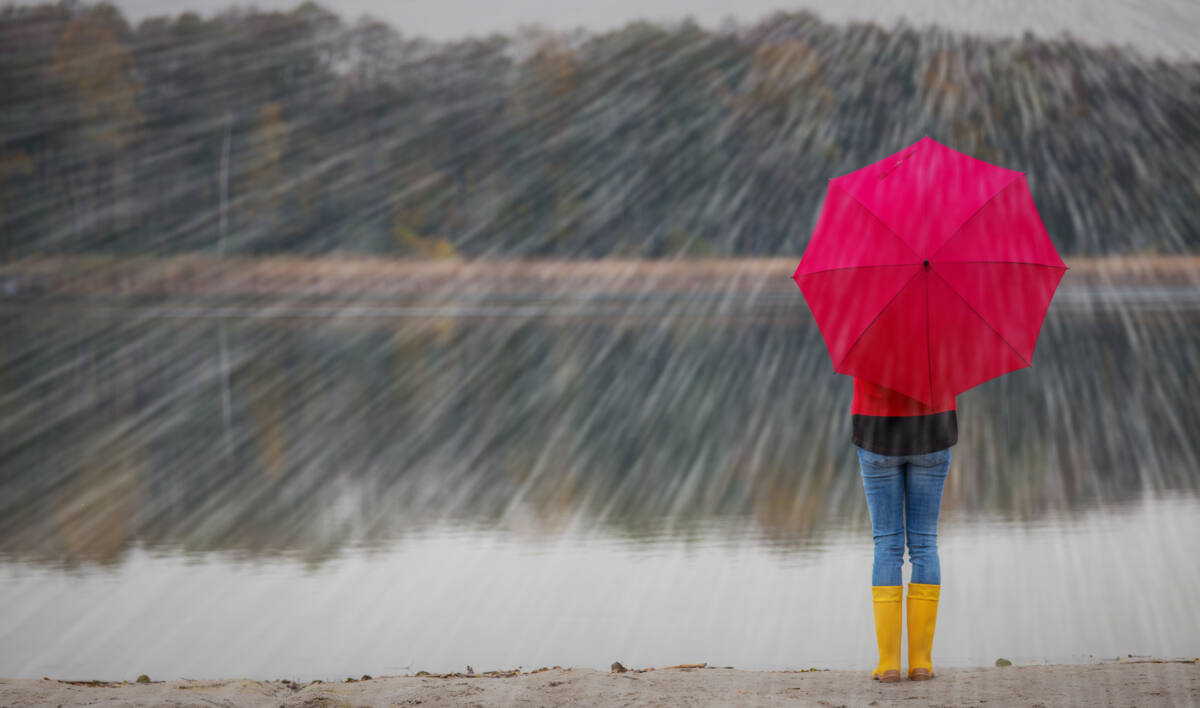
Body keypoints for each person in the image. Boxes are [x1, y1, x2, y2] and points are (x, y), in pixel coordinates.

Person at [852, 376, 957, 682]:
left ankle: (888, 665)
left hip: (876, 430)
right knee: (925, 544)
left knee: (887, 545)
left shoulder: (862, 327)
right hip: (933, 429)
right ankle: (921, 662)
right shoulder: (943, 328)